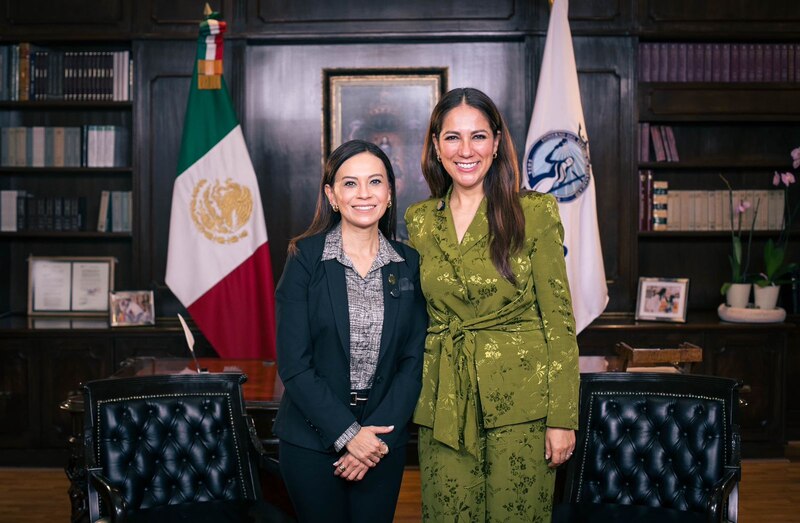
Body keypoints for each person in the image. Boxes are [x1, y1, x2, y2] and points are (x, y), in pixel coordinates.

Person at [405, 87, 580, 521]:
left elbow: (559, 322)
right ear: (435, 144)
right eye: (452, 137)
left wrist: (563, 417)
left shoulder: (534, 211)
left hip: (524, 406)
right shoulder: (420, 220)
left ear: (497, 142)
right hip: (445, 401)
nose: (466, 150)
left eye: (478, 136)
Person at [273, 139, 427, 523]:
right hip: (311, 439)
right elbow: (294, 364)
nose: (363, 194)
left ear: (389, 193)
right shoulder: (304, 259)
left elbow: (414, 361)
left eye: (375, 182)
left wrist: (373, 441)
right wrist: (348, 434)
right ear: (331, 194)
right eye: (349, 183)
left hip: (382, 441)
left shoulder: (409, 263)